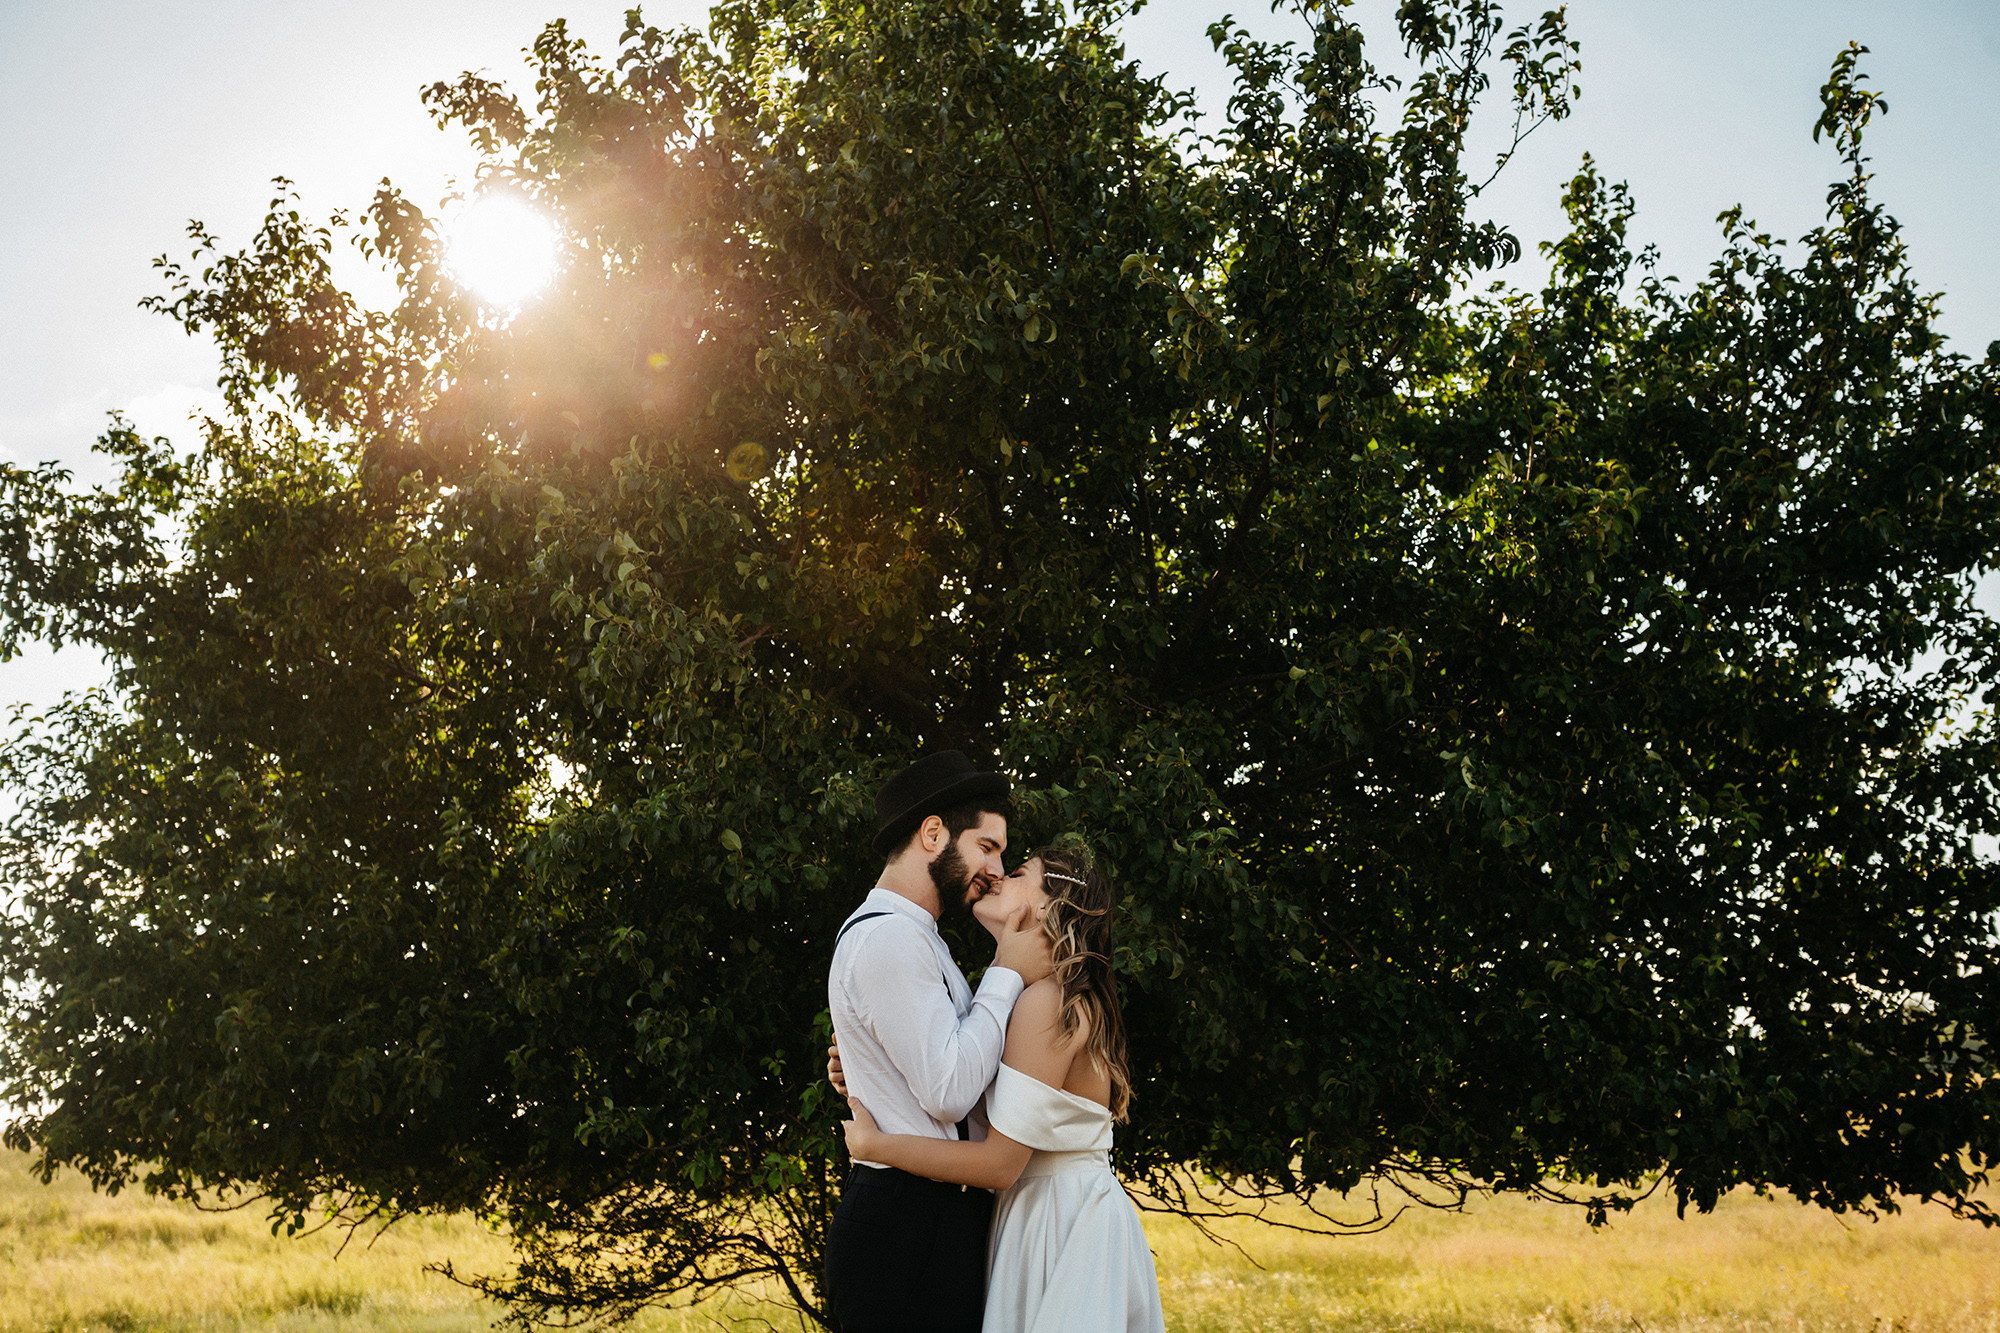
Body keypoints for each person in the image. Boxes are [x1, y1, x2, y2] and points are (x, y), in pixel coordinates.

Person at [840, 838, 1165, 1333]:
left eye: (1017, 872)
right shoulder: (1039, 996)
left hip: (1058, 1227)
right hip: (1047, 1213)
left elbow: (999, 1164)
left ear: (1048, 906)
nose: (996, 876)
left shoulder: (1047, 1003)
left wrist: (875, 1144)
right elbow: (960, 1081)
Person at [822, 750, 1056, 1333]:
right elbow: (949, 1092)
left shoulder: (918, 937)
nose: (998, 870)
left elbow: (946, 1070)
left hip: (934, 1213)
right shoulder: (891, 940)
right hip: (905, 1222)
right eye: (987, 847)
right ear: (933, 834)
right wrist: (1006, 971)